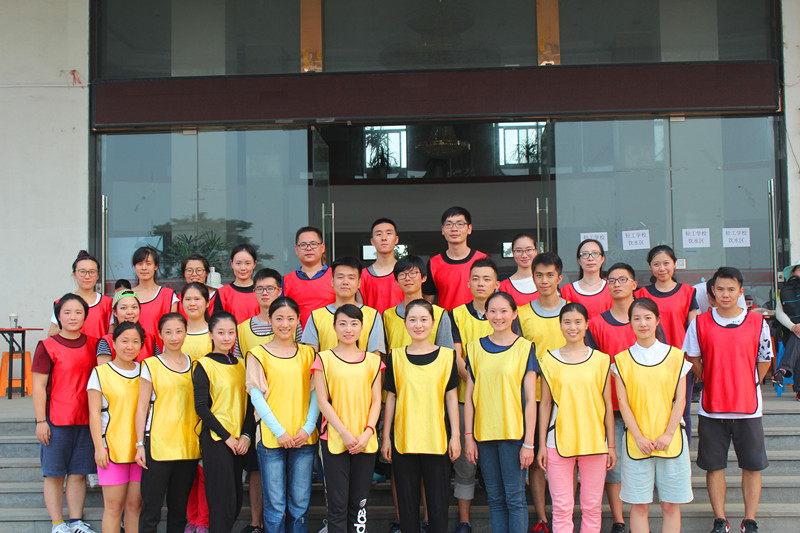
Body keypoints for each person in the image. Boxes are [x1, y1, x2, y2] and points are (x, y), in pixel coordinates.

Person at [682, 267, 772, 533]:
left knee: (752, 467)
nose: (725, 294)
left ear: (740, 292)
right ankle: (720, 519)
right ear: (712, 291)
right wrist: (710, 380)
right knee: (714, 466)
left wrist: (749, 382)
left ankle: (750, 520)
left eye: (731, 289)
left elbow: (764, 359)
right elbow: (693, 358)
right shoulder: (700, 323)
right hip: (712, 408)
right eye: (720, 289)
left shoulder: (757, 322)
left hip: (749, 408)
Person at [382, 256, 454, 532]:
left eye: (424, 319)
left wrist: (457, 435)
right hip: (404, 429)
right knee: (407, 496)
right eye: (412, 319)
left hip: (436, 430)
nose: (418, 324)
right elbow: (391, 395)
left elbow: (450, 393)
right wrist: (385, 435)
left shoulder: (445, 351)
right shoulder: (392, 341)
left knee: (437, 500)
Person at [612, 298, 693, 533]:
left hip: (671, 440)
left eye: (648, 318)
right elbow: (623, 403)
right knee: (639, 506)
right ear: (629, 322)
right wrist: (638, 437)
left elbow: (681, 399)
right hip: (637, 443)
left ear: (658, 320)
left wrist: (668, 434)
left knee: (670, 505)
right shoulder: (621, 360)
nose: (643, 323)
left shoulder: (676, 356)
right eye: (636, 318)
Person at [537, 303, 615, 533]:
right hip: (557, 440)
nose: (573, 327)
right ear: (560, 325)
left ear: (587, 324)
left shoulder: (601, 360)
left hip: (594, 440)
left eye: (578, 322)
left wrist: (611, 445)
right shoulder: (548, 360)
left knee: (592, 507)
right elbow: (545, 405)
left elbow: (607, 405)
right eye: (567, 322)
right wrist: (541, 445)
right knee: (562, 507)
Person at [463, 292, 537, 533]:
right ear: (485, 314)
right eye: (492, 311)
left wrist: (529, 443)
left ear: (514, 314)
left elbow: (531, 400)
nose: (498, 316)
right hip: (484, 435)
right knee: (494, 499)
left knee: (515, 498)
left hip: (514, 435)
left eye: (504, 311)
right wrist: (468, 436)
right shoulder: (474, 348)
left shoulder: (525, 348)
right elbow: (469, 397)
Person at [246, 297, 320, 533]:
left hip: (303, 437)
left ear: (298, 321)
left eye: (290, 318)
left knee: (299, 505)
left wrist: (308, 427)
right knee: (275, 506)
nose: (284, 324)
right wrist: (279, 432)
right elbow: (256, 397)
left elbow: (317, 393)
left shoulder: (309, 354)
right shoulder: (257, 354)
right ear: (269, 320)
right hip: (271, 439)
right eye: (279, 318)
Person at [312, 304, 384, 533]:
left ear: (362, 328)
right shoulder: (323, 359)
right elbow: (322, 401)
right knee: (337, 505)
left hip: (365, 441)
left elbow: (376, 401)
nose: (348, 329)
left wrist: (368, 432)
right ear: (334, 327)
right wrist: (344, 433)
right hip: (335, 439)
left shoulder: (373, 361)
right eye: (342, 324)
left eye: (354, 324)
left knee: (359, 504)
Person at [32, 294, 99, 533]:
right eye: (67, 312)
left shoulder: (94, 344)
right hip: (56, 420)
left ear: (85, 316)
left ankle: (76, 521)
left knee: (78, 473)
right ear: (58, 316)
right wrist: (41, 421)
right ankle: (57, 524)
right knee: (54, 474)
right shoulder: (47, 346)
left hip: (86, 420)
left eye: (78, 312)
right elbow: (38, 386)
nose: (73, 317)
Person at [448, 257, 506, 533]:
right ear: (468, 283)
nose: (481, 283)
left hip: (500, 404)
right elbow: (457, 357)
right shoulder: (456, 314)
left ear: (497, 284)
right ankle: (464, 520)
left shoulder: (506, 313)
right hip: (464, 400)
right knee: (465, 465)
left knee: (499, 463)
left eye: (487, 279)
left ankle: (502, 521)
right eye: (476, 278)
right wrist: (478, 384)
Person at [135, 313, 201, 533]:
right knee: (151, 509)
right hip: (158, 446)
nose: (174, 337)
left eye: (179, 331)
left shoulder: (196, 365)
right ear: (160, 335)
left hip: (187, 446)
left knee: (179, 510)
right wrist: (139, 444)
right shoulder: (151, 364)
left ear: (186, 333)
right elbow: (142, 407)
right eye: (168, 332)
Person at [517, 252, 568, 533]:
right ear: (532, 278)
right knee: (538, 459)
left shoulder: (573, 311)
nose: (544, 280)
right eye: (539, 275)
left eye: (550, 275)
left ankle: (563, 517)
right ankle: (542, 519)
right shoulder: (522, 313)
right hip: (533, 399)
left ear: (559, 278)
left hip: (568, 398)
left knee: (567, 458)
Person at [586, 262, 639, 533]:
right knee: (614, 468)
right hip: (611, 408)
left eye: (623, 279)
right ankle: (619, 521)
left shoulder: (645, 319)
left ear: (635, 284)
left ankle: (639, 518)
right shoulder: (596, 324)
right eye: (612, 281)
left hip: (643, 407)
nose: (617, 284)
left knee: (642, 466)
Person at [193, 312, 256, 533]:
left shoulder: (243, 364)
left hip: (240, 440)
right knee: (222, 499)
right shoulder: (204, 365)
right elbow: (202, 408)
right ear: (211, 334)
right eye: (221, 332)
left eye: (231, 332)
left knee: (236, 498)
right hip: (217, 440)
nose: (226, 337)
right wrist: (227, 437)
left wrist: (246, 436)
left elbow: (250, 405)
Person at [635, 245, 698, 442]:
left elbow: (694, 331)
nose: (662, 268)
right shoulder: (641, 294)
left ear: (674, 264)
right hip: (649, 360)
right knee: (651, 409)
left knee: (682, 411)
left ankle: (682, 454)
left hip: (679, 361)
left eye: (666, 263)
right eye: (656, 264)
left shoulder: (688, 292)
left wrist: (696, 361)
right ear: (650, 267)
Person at [87, 321, 143, 533]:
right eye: (124, 341)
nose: (130, 346)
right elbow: (93, 413)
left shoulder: (145, 372)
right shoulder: (100, 373)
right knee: (113, 507)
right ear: (114, 343)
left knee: (134, 506)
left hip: (139, 449)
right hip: (111, 448)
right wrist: (98, 448)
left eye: (135, 342)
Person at [301, 257, 386, 356]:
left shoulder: (373, 316)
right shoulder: (316, 316)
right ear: (332, 281)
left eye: (351, 278)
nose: (345, 282)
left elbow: (374, 357)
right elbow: (311, 356)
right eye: (340, 277)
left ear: (359, 283)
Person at [422, 206, 487, 311]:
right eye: (449, 224)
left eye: (460, 224)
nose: (454, 229)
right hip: (447, 320)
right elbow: (428, 304)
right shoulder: (433, 263)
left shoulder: (483, 260)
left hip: (478, 320)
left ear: (469, 229)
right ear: (443, 230)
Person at [234, 268, 302, 358]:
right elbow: (238, 362)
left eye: (270, 288)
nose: (264, 293)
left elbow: (301, 356)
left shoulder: (292, 325)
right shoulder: (242, 329)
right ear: (254, 292)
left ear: (279, 291)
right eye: (260, 289)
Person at [48, 250, 112, 339]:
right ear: (74, 274)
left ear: (97, 275)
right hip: (71, 348)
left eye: (92, 272)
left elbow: (111, 336)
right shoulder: (62, 303)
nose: (87, 276)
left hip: (99, 348)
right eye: (82, 271)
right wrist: (64, 324)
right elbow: (51, 335)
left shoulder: (108, 303)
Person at [282, 226, 336, 327]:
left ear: (322, 247)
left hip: (330, 334)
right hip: (296, 335)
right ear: (296, 249)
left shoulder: (336, 277)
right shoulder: (285, 281)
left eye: (313, 244)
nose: (308, 248)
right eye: (303, 245)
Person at [97, 290, 158, 365]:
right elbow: (104, 371)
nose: (130, 312)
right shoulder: (107, 341)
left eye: (134, 307)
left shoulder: (150, 340)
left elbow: (157, 368)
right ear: (115, 312)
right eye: (123, 308)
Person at [131, 247, 178, 343]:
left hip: (160, 350)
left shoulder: (168, 296)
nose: (144, 268)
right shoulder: (126, 296)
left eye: (148, 264)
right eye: (140, 264)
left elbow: (174, 328)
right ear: (134, 267)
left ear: (156, 266)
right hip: (131, 349)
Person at [560, 239, 612, 320]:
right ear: (579, 260)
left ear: (602, 258)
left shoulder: (612, 289)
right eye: (585, 254)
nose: (590, 258)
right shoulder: (567, 291)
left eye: (595, 253)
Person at [359, 218, 404, 313]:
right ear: (372, 241)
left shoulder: (406, 273)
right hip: (372, 323)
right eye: (379, 234)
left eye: (389, 233)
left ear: (396, 239)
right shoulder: (363, 276)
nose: (384, 238)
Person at [771, 264, 800, 399]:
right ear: (793, 274)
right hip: (793, 333)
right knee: (797, 338)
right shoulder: (783, 292)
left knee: (797, 339)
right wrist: (793, 327)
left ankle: (783, 369)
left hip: (795, 337)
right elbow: (779, 313)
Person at [215, 244, 260, 323]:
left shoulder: (262, 291)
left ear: (254, 264)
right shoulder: (223, 293)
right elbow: (217, 323)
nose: (243, 268)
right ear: (232, 264)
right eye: (238, 263)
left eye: (247, 263)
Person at [498, 233, 539, 306]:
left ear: (536, 251)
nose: (524, 255)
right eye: (519, 250)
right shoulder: (503, 287)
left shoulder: (546, 282)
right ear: (513, 253)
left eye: (529, 250)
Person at [180, 282, 213, 361]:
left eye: (197, 299)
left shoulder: (215, 333)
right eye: (188, 299)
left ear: (207, 303)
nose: (192, 304)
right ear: (182, 302)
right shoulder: (176, 333)